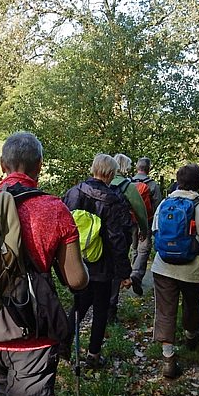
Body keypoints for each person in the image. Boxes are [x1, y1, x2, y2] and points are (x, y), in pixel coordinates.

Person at [0, 132, 89, 396]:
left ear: (1, 164)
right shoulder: (53, 209)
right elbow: (76, 280)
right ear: (39, 165)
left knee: (3, 394)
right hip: (32, 333)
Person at [151, 164, 199, 378]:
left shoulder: (165, 203)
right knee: (191, 305)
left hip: (162, 266)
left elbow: (156, 229)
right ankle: (191, 335)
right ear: (198, 182)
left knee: (165, 310)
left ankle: (168, 359)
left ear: (178, 180)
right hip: (192, 269)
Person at [63, 154, 132, 368]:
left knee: (79, 305)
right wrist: (124, 272)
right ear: (111, 174)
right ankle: (93, 355)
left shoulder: (72, 193)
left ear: (92, 169)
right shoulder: (114, 199)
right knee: (101, 309)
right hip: (103, 265)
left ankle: (63, 346)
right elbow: (117, 238)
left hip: (75, 260)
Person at [108, 154, 149, 320]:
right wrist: (144, 231)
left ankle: (97, 304)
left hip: (98, 234)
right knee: (117, 269)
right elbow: (141, 212)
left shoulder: (101, 183)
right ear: (124, 167)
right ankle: (111, 308)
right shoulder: (128, 186)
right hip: (121, 234)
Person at [130, 157, 163, 296]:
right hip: (146, 221)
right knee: (144, 248)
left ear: (137, 168)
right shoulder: (152, 185)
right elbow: (158, 206)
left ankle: (132, 271)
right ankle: (136, 274)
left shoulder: (128, 183)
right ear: (148, 169)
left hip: (130, 220)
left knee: (134, 246)